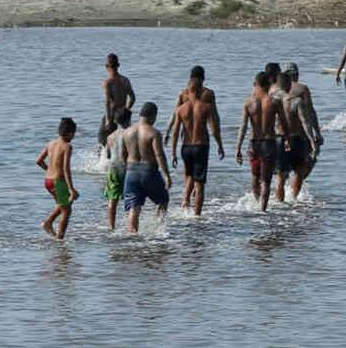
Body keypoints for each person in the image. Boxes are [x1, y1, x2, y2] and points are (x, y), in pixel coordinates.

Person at [170, 66, 225, 216]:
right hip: (201, 145)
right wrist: (220, 145)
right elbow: (214, 127)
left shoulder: (181, 107)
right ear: (201, 84)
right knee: (199, 184)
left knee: (188, 176)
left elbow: (175, 131)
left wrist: (173, 152)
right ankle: (197, 216)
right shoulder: (207, 103)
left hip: (185, 146)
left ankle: (184, 203)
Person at [236, 72, 289, 212]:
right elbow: (284, 123)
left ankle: (257, 202)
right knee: (266, 181)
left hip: (253, 143)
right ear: (268, 84)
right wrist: (287, 139)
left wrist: (238, 148)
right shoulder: (274, 102)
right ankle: (262, 211)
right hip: (269, 144)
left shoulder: (248, 102)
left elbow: (243, 127)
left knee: (254, 177)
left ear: (256, 84)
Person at [122, 102, 173, 232]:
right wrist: (166, 175)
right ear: (153, 116)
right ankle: (158, 229)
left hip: (131, 171)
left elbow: (123, 155)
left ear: (140, 115)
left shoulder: (127, 132)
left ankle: (132, 236)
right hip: (148, 171)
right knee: (163, 200)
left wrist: (126, 171)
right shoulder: (154, 133)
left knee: (134, 207)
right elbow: (159, 155)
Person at [274, 71, 320, 202]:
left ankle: (279, 204)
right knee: (299, 172)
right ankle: (292, 200)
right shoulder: (297, 100)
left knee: (280, 176)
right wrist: (312, 140)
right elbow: (305, 122)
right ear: (289, 84)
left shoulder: (272, 99)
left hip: (278, 139)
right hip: (296, 139)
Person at [37, 118, 80, 239]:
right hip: (58, 182)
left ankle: (48, 222)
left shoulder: (51, 144)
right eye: (74, 134)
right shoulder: (67, 146)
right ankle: (60, 239)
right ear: (70, 133)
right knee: (66, 211)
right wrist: (71, 189)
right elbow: (66, 169)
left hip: (48, 181)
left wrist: (49, 170)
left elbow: (39, 161)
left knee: (63, 205)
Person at [102, 108, 131, 231]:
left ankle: (111, 226)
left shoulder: (110, 137)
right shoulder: (129, 134)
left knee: (112, 198)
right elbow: (128, 153)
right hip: (125, 168)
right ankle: (130, 225)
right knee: (130, 197)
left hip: (113, 168)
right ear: (128, 120)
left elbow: (108, 155)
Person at [99, 53, 135, 150]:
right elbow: (132, 98)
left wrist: (108, 119)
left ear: (106, 66)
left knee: (102, 145)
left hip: (111, 116)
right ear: (118, 65)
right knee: (124, 146)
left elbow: (107, 102)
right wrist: (126, 111)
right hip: (123, 118)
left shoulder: (107, 82)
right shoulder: (125, 80)